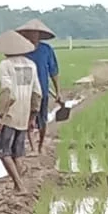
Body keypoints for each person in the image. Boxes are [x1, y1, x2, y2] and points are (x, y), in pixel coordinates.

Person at [0, 30, 42, 191]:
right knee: (17, 153)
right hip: (24, 114)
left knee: (3, 152)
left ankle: (19, 185)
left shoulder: (6, 65)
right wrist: (33, 115)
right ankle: (20, 183)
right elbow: (37, 92)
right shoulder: (31, 65)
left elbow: (7, 92)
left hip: (10, 113)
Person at [16, 19, 63, 153]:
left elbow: (53, 71)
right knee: (28, 120)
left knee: (42, 121)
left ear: (40, 34)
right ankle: (33, 148)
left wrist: (58, 91)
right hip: (25, 91)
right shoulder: (21, 50)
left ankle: (41, 146)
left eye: (36, 33)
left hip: (42, 90)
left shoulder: (46, 50)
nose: (33, 36)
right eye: (30, 33)